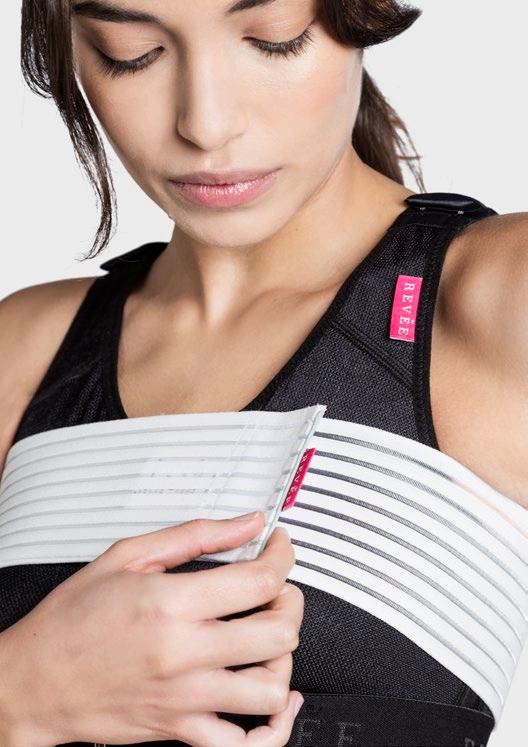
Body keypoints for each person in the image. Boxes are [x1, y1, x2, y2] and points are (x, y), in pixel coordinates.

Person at [0, 1, 526, 746]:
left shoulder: (499, 301)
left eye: (273, 39)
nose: (206, 125)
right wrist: (20, 690)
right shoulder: (24, 348)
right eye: (131, 52)